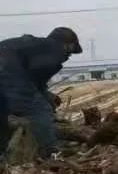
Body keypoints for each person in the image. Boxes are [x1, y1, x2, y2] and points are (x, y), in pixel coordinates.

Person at [0, 27, 83, 158]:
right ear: (68, 44)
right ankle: (51, 151)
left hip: (6, 67)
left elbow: (31, 79)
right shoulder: (55, 50)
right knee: (40, 109)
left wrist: (48, 96)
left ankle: (3, 153)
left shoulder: (39, 46)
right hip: (8, 70)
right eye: (71, 49)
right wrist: (47, 98)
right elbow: (34, 82)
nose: (69, 55)